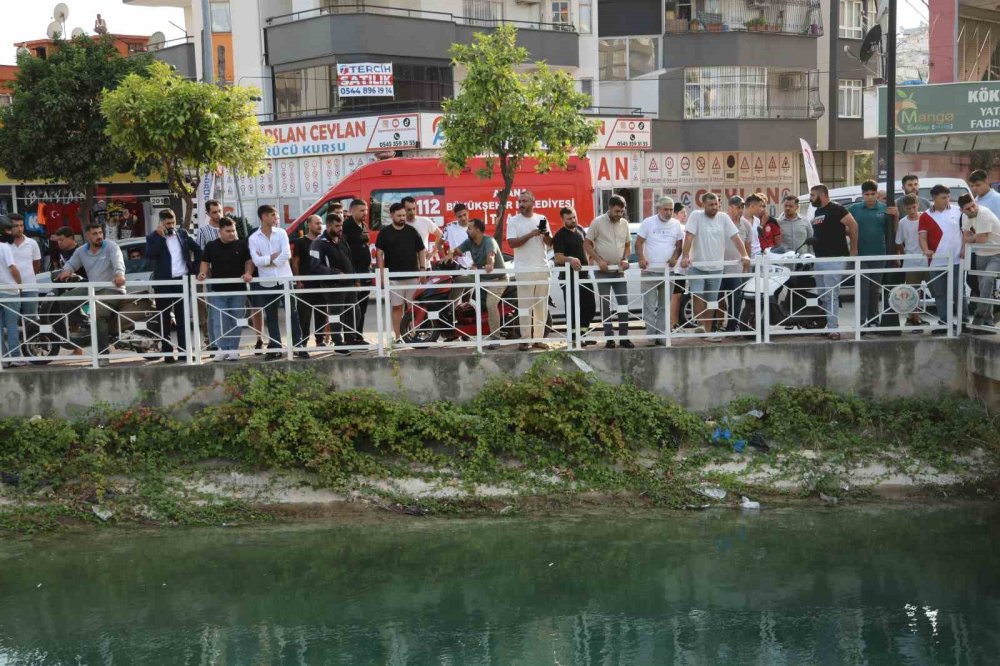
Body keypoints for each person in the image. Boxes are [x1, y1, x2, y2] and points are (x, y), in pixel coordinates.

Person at [679, 193, 750, 343]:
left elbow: (736, 237)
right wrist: (685, 256)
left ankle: (707, 331)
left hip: (716, 267)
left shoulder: (723, 218)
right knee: (697, 295)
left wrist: (744, 255)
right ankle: (701, 325)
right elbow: (689, 237)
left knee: (711, 301)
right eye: (711, 205)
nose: (714, 207)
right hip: (697, 266)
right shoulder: (696, 216)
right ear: (703, 205)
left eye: (716, 204)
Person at [56, 222, 126, 366]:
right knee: (64, 299)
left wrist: (119, 275)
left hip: (112, 289)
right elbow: (71, 264)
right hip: (92, 289)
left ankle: (102, 356)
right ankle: (86, 322)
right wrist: (66, 271)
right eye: (95, 234)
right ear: (87, 235)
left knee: (97, 315)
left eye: (100, 233)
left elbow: (118, 262)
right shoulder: (81, 251)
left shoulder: (111, 246)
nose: (99, 236)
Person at [249, 204, 305, 360]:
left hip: (285, 279)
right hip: (267, 282)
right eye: (273, 214)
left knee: (293, 313)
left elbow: (286, 254)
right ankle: (275, 347)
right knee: (271, 316)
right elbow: (256, 261)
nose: (276, 217)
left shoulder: (281, 233)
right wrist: (272, 258)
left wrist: (267, 260)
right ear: (264, 217)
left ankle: (298, 346)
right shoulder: (253, 238)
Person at [145, 209, 201, 362]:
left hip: (182, 281)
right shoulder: (152, 237)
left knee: (183, 318)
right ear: (161, 223)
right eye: (168, 223)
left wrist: (195, 269)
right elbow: (150, 255)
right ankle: (168, 353)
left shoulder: (182, 234)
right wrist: (161, 237)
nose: (171, 226)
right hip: (163, 283)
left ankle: (184, 352)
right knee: (164, 319)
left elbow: (198, 249)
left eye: (173, 222)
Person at [197, 217, 253, 362]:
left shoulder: (241, 245)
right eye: (228, 231)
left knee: (236, 321)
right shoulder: (211, 246)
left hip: (238, 290)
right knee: (219, 321)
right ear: (220, 231)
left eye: (233, 230)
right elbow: (205, 262)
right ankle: (222, 349)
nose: (231, 233)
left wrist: (248, 273)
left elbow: (249, 261)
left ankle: (233, 349)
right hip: (218, 291)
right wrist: (202, 273)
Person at [808, 184, 859, 339]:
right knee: (823, 295)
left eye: (812, 195)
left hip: (835, 257)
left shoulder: (837, 209)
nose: (810, 198)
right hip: (820, 258)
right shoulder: (818, 211)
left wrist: (853, 249)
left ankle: (833, 328)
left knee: (831, 294)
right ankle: (826, 325)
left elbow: (853, 225)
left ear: (822, 195)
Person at [506, 190, 553, 350]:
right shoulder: (513, 221)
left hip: (542, 267)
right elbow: (512, 243)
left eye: (524, 201)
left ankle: (538, 339)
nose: (521, 204)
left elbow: (550, 243)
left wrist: (545, 234)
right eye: (519, 201)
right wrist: (530, 234)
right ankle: (525, 339)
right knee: (525, 306)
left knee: (541, 306)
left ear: (533, 202)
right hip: (524, 269)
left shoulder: (541, 219)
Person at [585, 195, 633, 348]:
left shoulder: (624, 223)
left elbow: (628, 245)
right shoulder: (597, 222)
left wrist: (626, 259)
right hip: (603, 271)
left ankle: (624, 337)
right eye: (617, 211)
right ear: (610, 208)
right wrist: (598, 260)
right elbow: (586, 244)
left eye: (622, 211)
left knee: (623, 304)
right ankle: (609, 338)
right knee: (605, 305)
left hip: (619, 271)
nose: (620, 214)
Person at [452, 218, 507, 348]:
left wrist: (489, 263)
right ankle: (451, 311)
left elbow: (491, 255)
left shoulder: (489, 241)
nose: (467, 230)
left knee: (491, 304)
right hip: (481, 278)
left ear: (477, 230)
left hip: (497, 280)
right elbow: (457, 251)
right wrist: (449, 255)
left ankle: (495, 339)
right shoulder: (470, 242)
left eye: (469, 228)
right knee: (458, 280)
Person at [636, 196, 683, 344]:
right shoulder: (648, 222)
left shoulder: (676, 224)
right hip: (649, 271)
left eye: (671, 210)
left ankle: (662, 336)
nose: (669, 212)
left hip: (668, 272)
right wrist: (641, 258)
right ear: (658, 209)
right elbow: (638, 242)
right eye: (666, 209)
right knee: (649, 306)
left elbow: (679, 246)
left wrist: (675, 258)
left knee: (665, 307)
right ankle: (651, 337)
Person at [376, 202, 426, 341]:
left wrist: (423, 269)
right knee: (397, 307)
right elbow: (379, 255)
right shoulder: (384, 233)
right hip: (394, 277)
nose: (402, 218)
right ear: (391, 215)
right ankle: (398, 337)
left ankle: (413, 335)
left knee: (412, 307)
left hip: (412, 276)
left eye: (404, 215)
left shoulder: (412, 231)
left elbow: (421, 250)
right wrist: (382, 276)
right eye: (399, 215)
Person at [919, 184, 966, 330]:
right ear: (934, 198)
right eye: (943, 197)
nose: (947, 200)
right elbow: (922, 237)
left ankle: (963, 321)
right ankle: (944, 322)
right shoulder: (925, 216)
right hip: (936, 261)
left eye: (948, 197)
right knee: (940, 293)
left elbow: (966, 232)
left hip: (956, 259)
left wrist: (964, 249)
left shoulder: (958, 211)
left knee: (958, 291)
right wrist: (926, 250)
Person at [848, 180, 891, 329]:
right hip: (860, 255)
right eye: (867, 194)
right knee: (862, 289)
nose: (870, 197)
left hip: (879, 254)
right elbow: (843, 225)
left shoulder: (885, 209)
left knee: (874, 290)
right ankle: (861, 322)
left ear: (877, 194)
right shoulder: (854, 209)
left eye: (873, 194)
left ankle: (874, 320)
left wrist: (896, 216)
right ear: (862, 195)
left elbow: (892, 231)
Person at [309, 213, 354, 353]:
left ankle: (351, 340)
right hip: (332, 285)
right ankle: (338, 344)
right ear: (328, 226)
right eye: (337, 226)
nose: (340, 228)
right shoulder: (318, 242)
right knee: (336, 315)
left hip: (349, 284)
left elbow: (349, 259)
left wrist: (355, 279)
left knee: (354, 312)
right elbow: (315, 266)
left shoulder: (342, 239)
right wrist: (335, 274)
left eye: (341, 225)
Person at [553, 207, 596, 345]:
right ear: (563, 220)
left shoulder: (580, 230)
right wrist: (570, 259)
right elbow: (558, 257)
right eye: (569, 219)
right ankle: (574, 339)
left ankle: (582, 334)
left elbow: (588, 246)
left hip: (584, 275)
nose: (573, 220)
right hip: (568, 277)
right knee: (572, 308)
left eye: (574, 217)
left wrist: (591, 258)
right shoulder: (560, 235)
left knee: (590, 307)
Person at [959, 192, 1000, 328]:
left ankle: (979, 314)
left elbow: (981, 240)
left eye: (973, 205)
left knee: (987, 280)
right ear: (962, 210)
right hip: (981, 253)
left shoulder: (984, 213)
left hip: (997, 252)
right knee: (982, 285)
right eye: (968, 208)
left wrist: (971, 238)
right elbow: (966, 236)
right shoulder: (965, 217)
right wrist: (965, 247)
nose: (972, 209)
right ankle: (988, 320)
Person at [292, 214, 326, 347]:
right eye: (317, 223)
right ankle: (303, 341)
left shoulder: (324, 241)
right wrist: (298, 280)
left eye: (321, 223)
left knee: (321, 313)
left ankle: (320, 339)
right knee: (304, 315)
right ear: (309, 225)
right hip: (306, 284)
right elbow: (295, 262)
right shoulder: (300, 242)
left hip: (321, 283)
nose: (320, 226)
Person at [722, 196, 754, 333]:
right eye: (738, 207)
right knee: (716, 299)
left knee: (735, 300)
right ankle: (714, 325)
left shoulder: (746, 224)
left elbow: (748, 246)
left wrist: (745, 268)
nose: (741, 210)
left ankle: (732, 326)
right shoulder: (721, 221)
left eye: (742, 207)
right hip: (720, 268)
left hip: (737, 269)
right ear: (730, 208)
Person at [343, 198, 372, 345]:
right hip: (353, 273)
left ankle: (359, 336)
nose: (365, 213)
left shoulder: (363, 225)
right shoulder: (346, 227)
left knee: (362, 308)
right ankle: (350, 338)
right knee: (353, 308)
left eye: (366, 210)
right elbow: (345, 253)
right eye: (361, 210)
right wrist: (353, 276)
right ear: (352, 211)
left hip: (365, 271)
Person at [894, 194, 925, 327]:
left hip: (927, 259)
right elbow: (898, 242)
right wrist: (904, 254)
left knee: (934, 288)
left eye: (914, 207)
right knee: (913, 291)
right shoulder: (903, 222)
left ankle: (916, 318)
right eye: (908, 208)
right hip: (911, 259)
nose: (912, 211)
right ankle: (915, 319)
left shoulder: (925, 217)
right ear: (905, 208)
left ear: (918, 205)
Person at [8, 214, 41, 321]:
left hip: (29, 287)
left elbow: (37, 264)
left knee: (31, 320)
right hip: (9, 288)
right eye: (16, 226)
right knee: (11, 320)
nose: (19, 229)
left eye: (21, 225)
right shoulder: (3, 244)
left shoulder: (32, 243)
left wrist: (28, 277)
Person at [0, 240, 23, 367]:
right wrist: (20, 284)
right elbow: (12, 268)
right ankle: (15, 357)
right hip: (9, 290)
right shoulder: (4, 247)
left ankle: (3, 359)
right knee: (12, 325)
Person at [402, 196, 439, 267]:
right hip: (407, 266)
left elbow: (440, 235)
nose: (412, 212)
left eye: (414, 209)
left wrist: (433, 252)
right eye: (409, 210)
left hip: (425, 265)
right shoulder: (400, 224)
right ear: (403, 210)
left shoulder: (424, 221)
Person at [436, 204, 472, 269]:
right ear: (456, 216)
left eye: (464, 215)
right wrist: (445, 257)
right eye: (460, 216)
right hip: (457, 267)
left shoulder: (474, 227)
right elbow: (439, 244)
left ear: (468, 213)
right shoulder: (449, 227)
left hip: (474, 267)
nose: (463, 218)